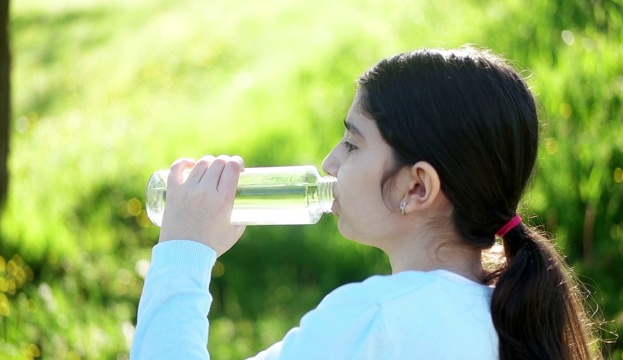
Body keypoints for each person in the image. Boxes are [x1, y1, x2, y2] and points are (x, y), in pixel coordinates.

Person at [130, 46, 598, 359]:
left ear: (417, 187)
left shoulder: (378, 322)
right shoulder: (507, 316)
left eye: (352, 145)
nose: (329, 163)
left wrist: (185, 253)